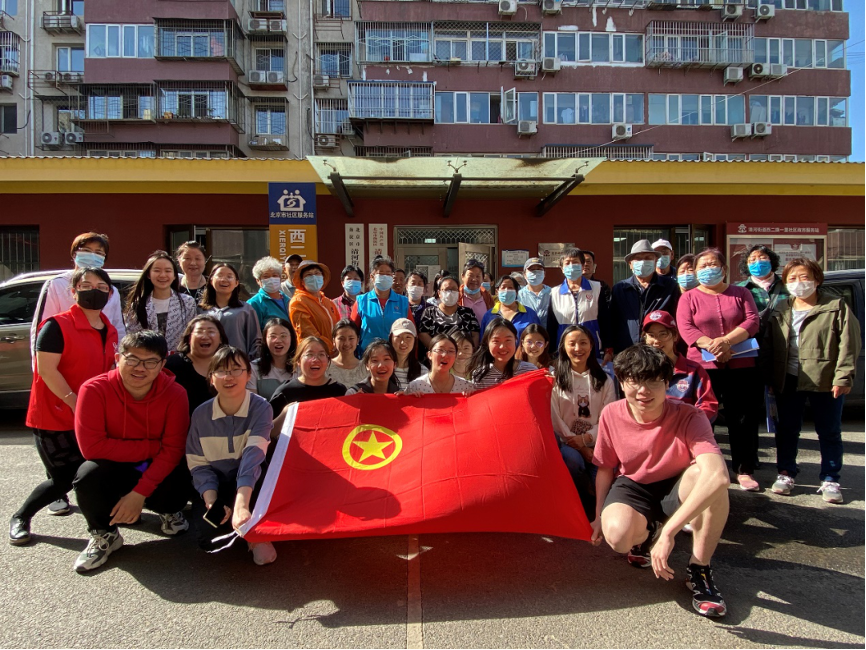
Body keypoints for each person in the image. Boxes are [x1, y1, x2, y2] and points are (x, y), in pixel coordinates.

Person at [591, 344, 731, 619]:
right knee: (617, 537)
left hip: (678, 483)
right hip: (634, 484)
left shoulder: (690, 415)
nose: (644, 391)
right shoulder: (611, 413)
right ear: (621, 382)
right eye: (635, 381)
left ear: (667, 383)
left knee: (708, 480)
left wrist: (670, 533)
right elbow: (606, 468)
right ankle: (647, 534)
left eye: (654, 382)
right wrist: (597, 516)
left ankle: (699, 569)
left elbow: (718, 476)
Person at [10, 268, 119, 546]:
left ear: (109, 294)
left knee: (92, 474)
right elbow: (47, 371)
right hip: (54, 415)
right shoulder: (55, 326)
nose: (94, 291)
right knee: (63, 479)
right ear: (73, 292)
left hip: (89, 416)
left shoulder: (110, 329)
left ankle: (102, 527)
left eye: (101, 287)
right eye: (86, 285)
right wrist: (74, 401)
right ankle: (21, 517)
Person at [70, 331, 191, 573]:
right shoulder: (94, 389)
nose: (140, 368)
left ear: (162, 365)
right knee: (87, 474)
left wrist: (138, 494)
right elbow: (91, 448)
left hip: (152, 465)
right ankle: (105, 534)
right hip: (115, 464)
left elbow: (173, 450)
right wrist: (154, 446)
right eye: (133, 359)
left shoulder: (175, 393)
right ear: (118, 358)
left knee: (179, 474)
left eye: (150, 362)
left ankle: (168, 511)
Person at [761, 258, 861, 503]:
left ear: (817, 279)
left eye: (804, 277)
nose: (799, 283)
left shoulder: (835, 306)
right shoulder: (781, 307)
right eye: (792, 278)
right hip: (788, 378)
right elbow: (769, 344)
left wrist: (843, 376)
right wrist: (770, 377)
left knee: (829, 431)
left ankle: (830, 479)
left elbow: (849, 344)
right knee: (787, 429)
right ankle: (786, 473)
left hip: (824, 379)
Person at [676, 248, 761, 492]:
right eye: (702, 266)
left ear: (723, 269)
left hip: (741, 363)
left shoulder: (741, 293)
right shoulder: (689, 297)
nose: (708, 269)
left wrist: (726, 341)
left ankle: (743, 470)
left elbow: (752, 320)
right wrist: (713, 345)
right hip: (703, 366)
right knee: (703, 417)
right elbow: (686, 328)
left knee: (742, 418)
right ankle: (703, 467)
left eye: (713, 264)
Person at [186, 346, 276, 565]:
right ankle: (244, 527)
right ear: (211, 378)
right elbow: (198, 464)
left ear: (248, 374)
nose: (229, 377)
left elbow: (252, 458)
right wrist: (211, 501)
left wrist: (241, 505)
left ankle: (254, 535)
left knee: (256, 502)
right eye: (221, 371)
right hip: (218, 484)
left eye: (236, 369)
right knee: (209, 541)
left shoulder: (261, 408)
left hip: (253, 480)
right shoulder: (201, 414)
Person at [550, 325, 616, 518]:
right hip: (568, 444)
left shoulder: (605, 380)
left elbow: (608, 417)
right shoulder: (555, 379)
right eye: (572, 343)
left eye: (583, 343)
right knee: (571, 460)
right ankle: (580, 500)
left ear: (592, 345)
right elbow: (555, 417)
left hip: (598, 442)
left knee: (603, 482)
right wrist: (578, 445)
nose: (578, 348)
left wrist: (587, 439)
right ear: (563, 347)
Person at [30, 232, 126, 363]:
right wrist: (39, 365)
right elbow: (42, 326)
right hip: (65, 357)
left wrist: (119, 362)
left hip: (102, 360)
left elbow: (118, 328)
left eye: (98, 252)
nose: (92, 255)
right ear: (74, 254)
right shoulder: (57, 284)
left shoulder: (111, 291)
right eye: (86, 250)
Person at [642, 311, 718, 424]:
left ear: (675, 336)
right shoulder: (639, 369)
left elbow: (708, 405)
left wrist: (690, 425)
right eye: (651, 335)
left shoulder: (694, 370)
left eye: (663, 334)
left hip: (686, 429)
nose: (657, 341)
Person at [610, 239, 680, 354]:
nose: (643, 262)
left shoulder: (670, 287)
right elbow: (612, 321)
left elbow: (676, 318)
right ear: (630, 264)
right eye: (638, 259)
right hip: (627, 352)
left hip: (658, 350)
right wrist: (609, 348)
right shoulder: (620, 288)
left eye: (648, 258)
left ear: (655, 261)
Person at [126, 251, 197, 353]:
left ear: (174, 275)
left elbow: (191, 335)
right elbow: (132, 338)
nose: (163, 275)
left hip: (178, 358)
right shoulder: (138, 305)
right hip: (147, 359)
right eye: (157, 270)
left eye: (168, 271)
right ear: (148, 275)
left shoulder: (188, 302)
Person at [547, 248, 608, 359]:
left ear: (582, 265)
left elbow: (605, 320)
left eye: (575, 262)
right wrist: (550, 352)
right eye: (567, 263)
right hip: (565, 348)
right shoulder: (554, 292)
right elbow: (552, 325)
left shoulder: (597, 288)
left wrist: (608, 348)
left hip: (591, 346)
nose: (571, 266)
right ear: (562, 268)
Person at [268, 336, 347, 417]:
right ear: (298, 360)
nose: (315, 359)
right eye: (309, 354)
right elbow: (266, 424)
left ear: (328, 360)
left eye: (321, 354)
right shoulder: (285, 392)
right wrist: (284, 414)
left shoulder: (339, 391)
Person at [165, 315, 228, 415]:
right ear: (189, 338)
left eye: (211, 331)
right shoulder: (171, 365)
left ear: (220, 338)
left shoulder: (229, 365)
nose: (205, 336)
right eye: (199, 332)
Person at [199, 263, 262, 359]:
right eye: (220, 275)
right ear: (211, 280)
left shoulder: (246, 309)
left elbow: (255, 341)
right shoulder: (200, 310)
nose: (224, 279)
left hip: (237, 363)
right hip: (207, 363)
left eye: (229, 276)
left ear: (236, 283)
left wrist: (251, 363)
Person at [351, 256, 414, 351]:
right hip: (368, 355)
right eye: (381, 273)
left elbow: (411, 332)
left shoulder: (403, 302)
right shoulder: (362, 301)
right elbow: (352, 332)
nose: (385, 277)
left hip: (394, 355)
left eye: (388, 274)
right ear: (372, 277)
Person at [467, 318, 538, 390]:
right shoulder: (480, 375)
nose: (502, 347)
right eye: (496, 341)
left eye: (508, 340)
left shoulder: (530, 371)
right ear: (487, 343)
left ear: (516, 340)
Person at [288, 261, 341, 355]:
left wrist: (339, 344)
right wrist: (331, 348)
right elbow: (307, 332)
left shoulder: (328, 302)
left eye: (317, 273)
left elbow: (339, 326)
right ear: (302, 281)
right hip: (313, 354)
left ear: (322, 277)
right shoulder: (298, 302)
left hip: (333, 355)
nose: (314, 277)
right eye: (309, 275)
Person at [737, 245, 788, 337]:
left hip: (783, 338)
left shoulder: (787, 286)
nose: (758, 262)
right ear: (746, 265)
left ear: (771, 261)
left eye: (763, 258)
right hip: (751, 340)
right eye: (752, 260)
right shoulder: (739, 289)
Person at [418, 275, 481, 349]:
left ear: (458, 292)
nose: (450, 292)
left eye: (453, 289)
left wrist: (468, 351)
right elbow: (423, 334)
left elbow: (475, 334)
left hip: (462, 354)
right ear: (439, 293)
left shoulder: (468, 313)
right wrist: (438, 349)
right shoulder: (429, 312)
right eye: (446, 289)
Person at [406, 334, 474, 395]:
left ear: (455, 356)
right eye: (440, 350)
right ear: (429, 355)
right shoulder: (415, 387)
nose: (445, 355)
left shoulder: (466, 386)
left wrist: (472, 397)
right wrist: (411, 398)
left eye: (450, 351)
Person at [247, 318, 294, 400]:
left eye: (283, 336)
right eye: (273, 336)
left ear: (292, 338)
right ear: (265, 339)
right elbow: (253, 402)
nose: (278, 341)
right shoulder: (254, 368)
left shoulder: (300, 367)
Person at [481, 274, 541, 339]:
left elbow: (538, 338)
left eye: (510, 288)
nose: (506, 290)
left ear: (516, 292)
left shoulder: (530, 314)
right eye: (503, 287)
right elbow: (483, 340)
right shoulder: (489, 315)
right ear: (497, 292)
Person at [247, 256, 292, 332]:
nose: (271, 279)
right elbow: (252, 333)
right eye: (266, 276)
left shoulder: (288, 300)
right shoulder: (254, 303)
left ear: (280, 278)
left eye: (274, 275)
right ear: (258, 281)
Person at [326, 320, 369, 388]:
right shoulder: (326, 367)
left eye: (351, 338)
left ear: (357, 340)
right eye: (341, 339)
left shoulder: (366, 368)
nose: (346, 343)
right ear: (334, 341)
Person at [389, 318, 427, 389]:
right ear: (391, 339)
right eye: (398, 337)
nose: (403, 342)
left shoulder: (423, 372)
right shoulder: (383, 368)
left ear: (415, 340)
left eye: (408, 337)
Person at [459, 259, 495, 326]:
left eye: (478, 276)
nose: (474, 279)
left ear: (482, 278)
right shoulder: (457, 297)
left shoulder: (488, 298)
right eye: (471, 275)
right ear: (462, 276)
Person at [518, 257, 552, 324]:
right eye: (532, 270)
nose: (536, 272)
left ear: (544, 274)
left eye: (539, 269)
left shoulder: (553, 293)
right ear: (524, 274)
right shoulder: (519, 295)